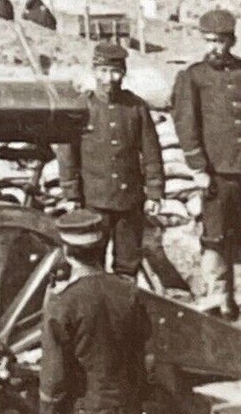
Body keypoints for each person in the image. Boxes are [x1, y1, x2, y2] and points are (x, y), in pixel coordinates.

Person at [171, 9, 241, 317]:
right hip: (216, 172)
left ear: (231, 41)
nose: (214, 47)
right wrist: (198, 168)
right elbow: (185, 124)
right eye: (209, 40)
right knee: (215, 234)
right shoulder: (193, 76)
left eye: (220, 41)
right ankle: (216, 294)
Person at [39, 208, 152, 414]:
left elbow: (55, 371)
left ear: (67, 251)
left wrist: (50, 413)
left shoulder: (64, 302)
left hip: (86, 412)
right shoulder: (128, 292)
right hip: (125, 405)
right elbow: (144, 352)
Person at [55, 42, 164, 279]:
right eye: (103, 71)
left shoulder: (136, 107)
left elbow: (152, 153)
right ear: (94, 71)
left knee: (127, 267)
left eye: (115, 71)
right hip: (94, 202)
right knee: (91, 265)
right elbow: (67, 155)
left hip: (129, 203)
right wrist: (71, 194)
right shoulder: (82, 106)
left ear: (124, 73)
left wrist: (154, 192)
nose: (110, 78)